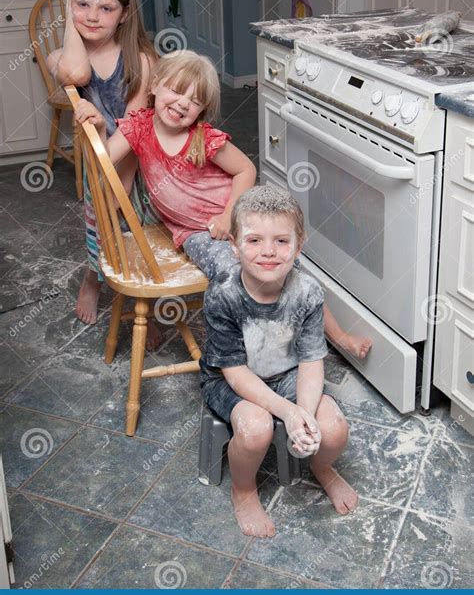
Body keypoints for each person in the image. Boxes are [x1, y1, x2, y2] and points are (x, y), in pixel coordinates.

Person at [74, 50, 372, 358]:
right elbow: (104, 159)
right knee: (234, 274)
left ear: (202, 109)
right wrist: (97, 128)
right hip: (195, 232)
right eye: (176, 91)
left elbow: (246, 169)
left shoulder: (203, 137)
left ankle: (336, 335)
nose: (182, 103)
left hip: (239, 216)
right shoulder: (139, 127)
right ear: (154, 86)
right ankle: (258, 348)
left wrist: (229, 214)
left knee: (286, 266)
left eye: (194, 100)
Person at [199, 186, 358, 537]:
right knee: (257, 429)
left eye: (281, 242)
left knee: (332, 428)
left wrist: (303, 414)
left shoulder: (308, 293)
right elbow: (235, 372)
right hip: (230, 379)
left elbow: (311, 360)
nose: (268, 252)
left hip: (287, 373)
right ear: (234, 245)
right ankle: (243, 489)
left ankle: (322, 467)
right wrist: (286, 413)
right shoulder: (223, 296)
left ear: (299, 246)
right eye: (254, 240)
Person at [47, 0, 157, 328]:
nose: (92, 16)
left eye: (106, 7)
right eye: (81, 5)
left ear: (125, 14)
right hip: (102, 162)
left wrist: (113, 174)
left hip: (137, 158)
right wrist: (69, 19)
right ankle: (92, 279)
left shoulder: (139, 61)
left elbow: (135, 126)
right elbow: (75, 73)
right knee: (103, 228)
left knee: (138, 232)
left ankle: (146, 298)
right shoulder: (61, 56)